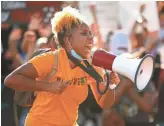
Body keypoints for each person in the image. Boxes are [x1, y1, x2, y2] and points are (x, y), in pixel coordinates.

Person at [4, 7, 121, 126]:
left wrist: (110, 86)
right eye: (84, 34)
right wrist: (47, 86)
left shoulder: (91, 66)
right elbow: (10, 80)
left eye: (90, 33)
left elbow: (104, 104)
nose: (91, 38)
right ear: (68, 40)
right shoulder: (50, 59)